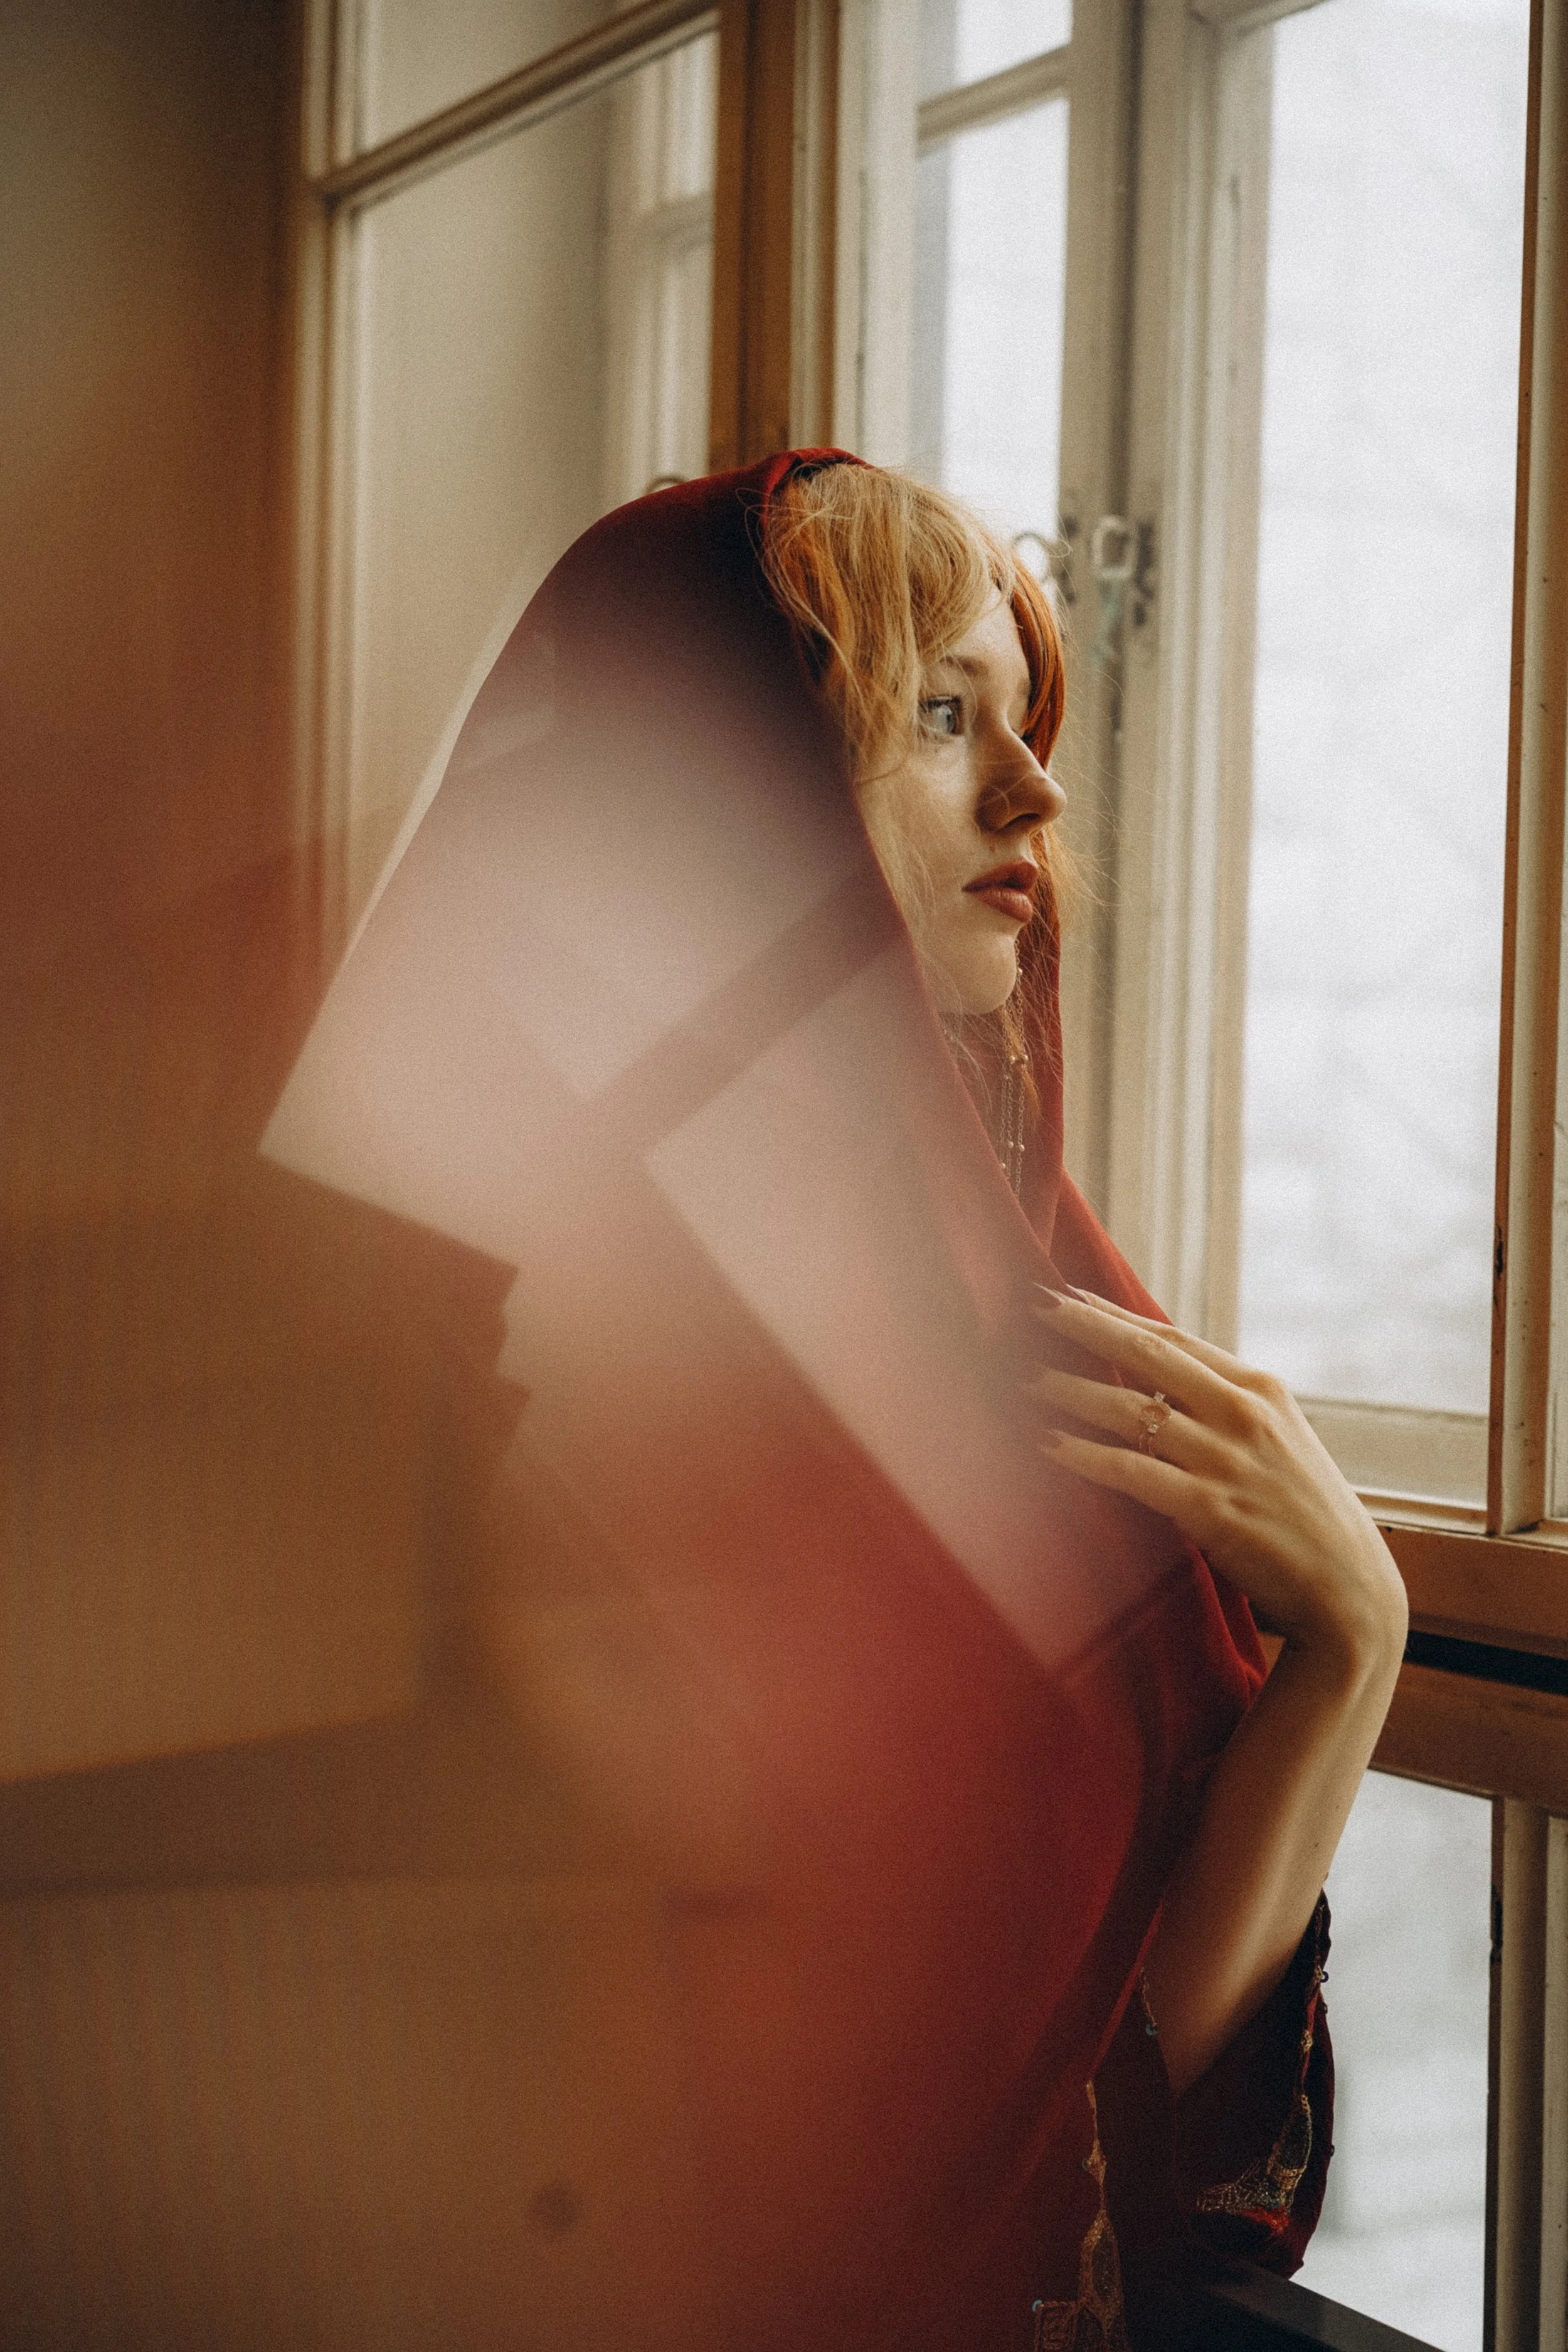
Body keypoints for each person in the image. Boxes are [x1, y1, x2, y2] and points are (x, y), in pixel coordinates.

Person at [265, 448, 1407, 2350]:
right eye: (940, 716)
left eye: (1021, 712)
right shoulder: (516, 1374)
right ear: (733, 807)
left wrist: (1348, 1636)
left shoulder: (1020, 1306)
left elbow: (1122, 2115)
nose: (1033, 786)